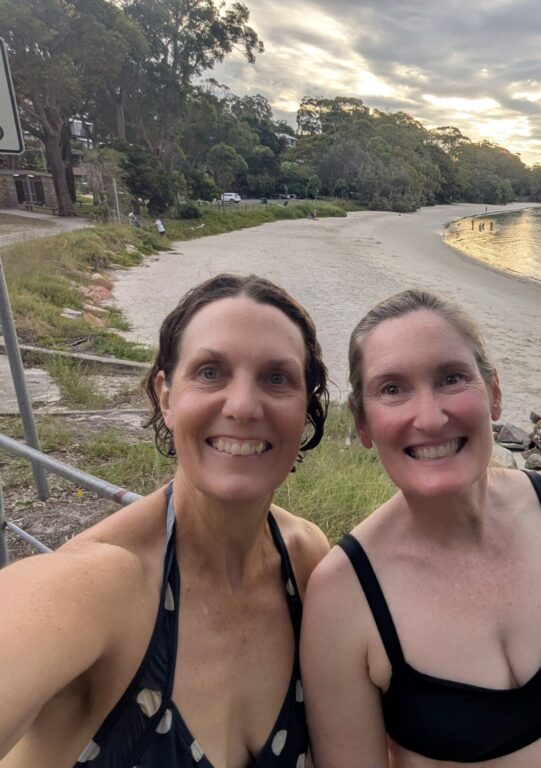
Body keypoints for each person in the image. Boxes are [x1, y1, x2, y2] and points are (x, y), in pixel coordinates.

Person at [302, 290, 541, 767]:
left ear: (493, 393)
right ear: (363, 425)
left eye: (451, 378)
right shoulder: (343, 594)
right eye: (392, 389)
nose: (429, 417)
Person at [0, 274, 331, 766]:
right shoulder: (94, 587)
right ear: (166, 395)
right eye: (211, 372)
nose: (242, 406)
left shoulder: (306, 560)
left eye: (277, 378)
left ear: (306, 409)